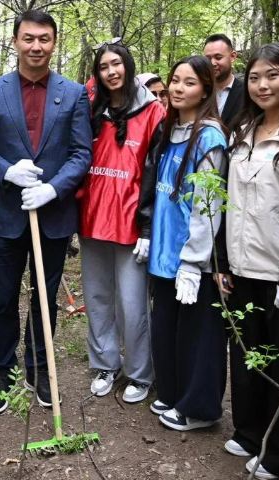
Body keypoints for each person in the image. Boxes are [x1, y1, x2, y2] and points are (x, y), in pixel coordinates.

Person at [0, 9, 92, 414]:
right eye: (29, 38)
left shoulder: (74, 93)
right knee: (5, 298)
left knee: (45, 298)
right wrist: (7, 171)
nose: (36, 46)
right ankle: (3, 372)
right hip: (8, 215)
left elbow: (81, 153)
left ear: (54, 42)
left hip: (53, 215)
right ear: (15, 41)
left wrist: (53, 189)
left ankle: (40, 369)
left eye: (44, 38)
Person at [215, 42, 279, 479]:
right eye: (255, 77)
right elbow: (222, 201)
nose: (262, 85)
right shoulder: (240, 131)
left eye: (273, 75)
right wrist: (219, 261)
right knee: (244, 355)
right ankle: (251, 431)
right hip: (240, 266)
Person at [80, 41, 165, 403]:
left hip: (131, 223)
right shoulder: (90, 109)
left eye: (117, 64)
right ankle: (104, 364)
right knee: (98, 298)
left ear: (128, 66)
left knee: (132, 304)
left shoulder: (153, 111)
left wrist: (147, 226)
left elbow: (155, 171)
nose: (111, 71)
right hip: (92, 219)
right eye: (104, 66)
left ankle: (140, 373)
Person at [147, 55, 228, 431]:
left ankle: (198, 408)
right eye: (175, 80)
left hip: (191, 259)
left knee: (198, 336)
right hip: (163, 254)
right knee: (167, 328)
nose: (178, 88)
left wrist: (194, 261)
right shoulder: (170, 130)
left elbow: (207, 205)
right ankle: (172, 392)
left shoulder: (209, 137)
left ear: (206, 89)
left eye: (189, 82)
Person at [203, 33, 244, 127]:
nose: (212, 63)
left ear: (232, 56)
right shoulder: (200, 92)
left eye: (218, 58)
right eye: (208, 58)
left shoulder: (246, 92)